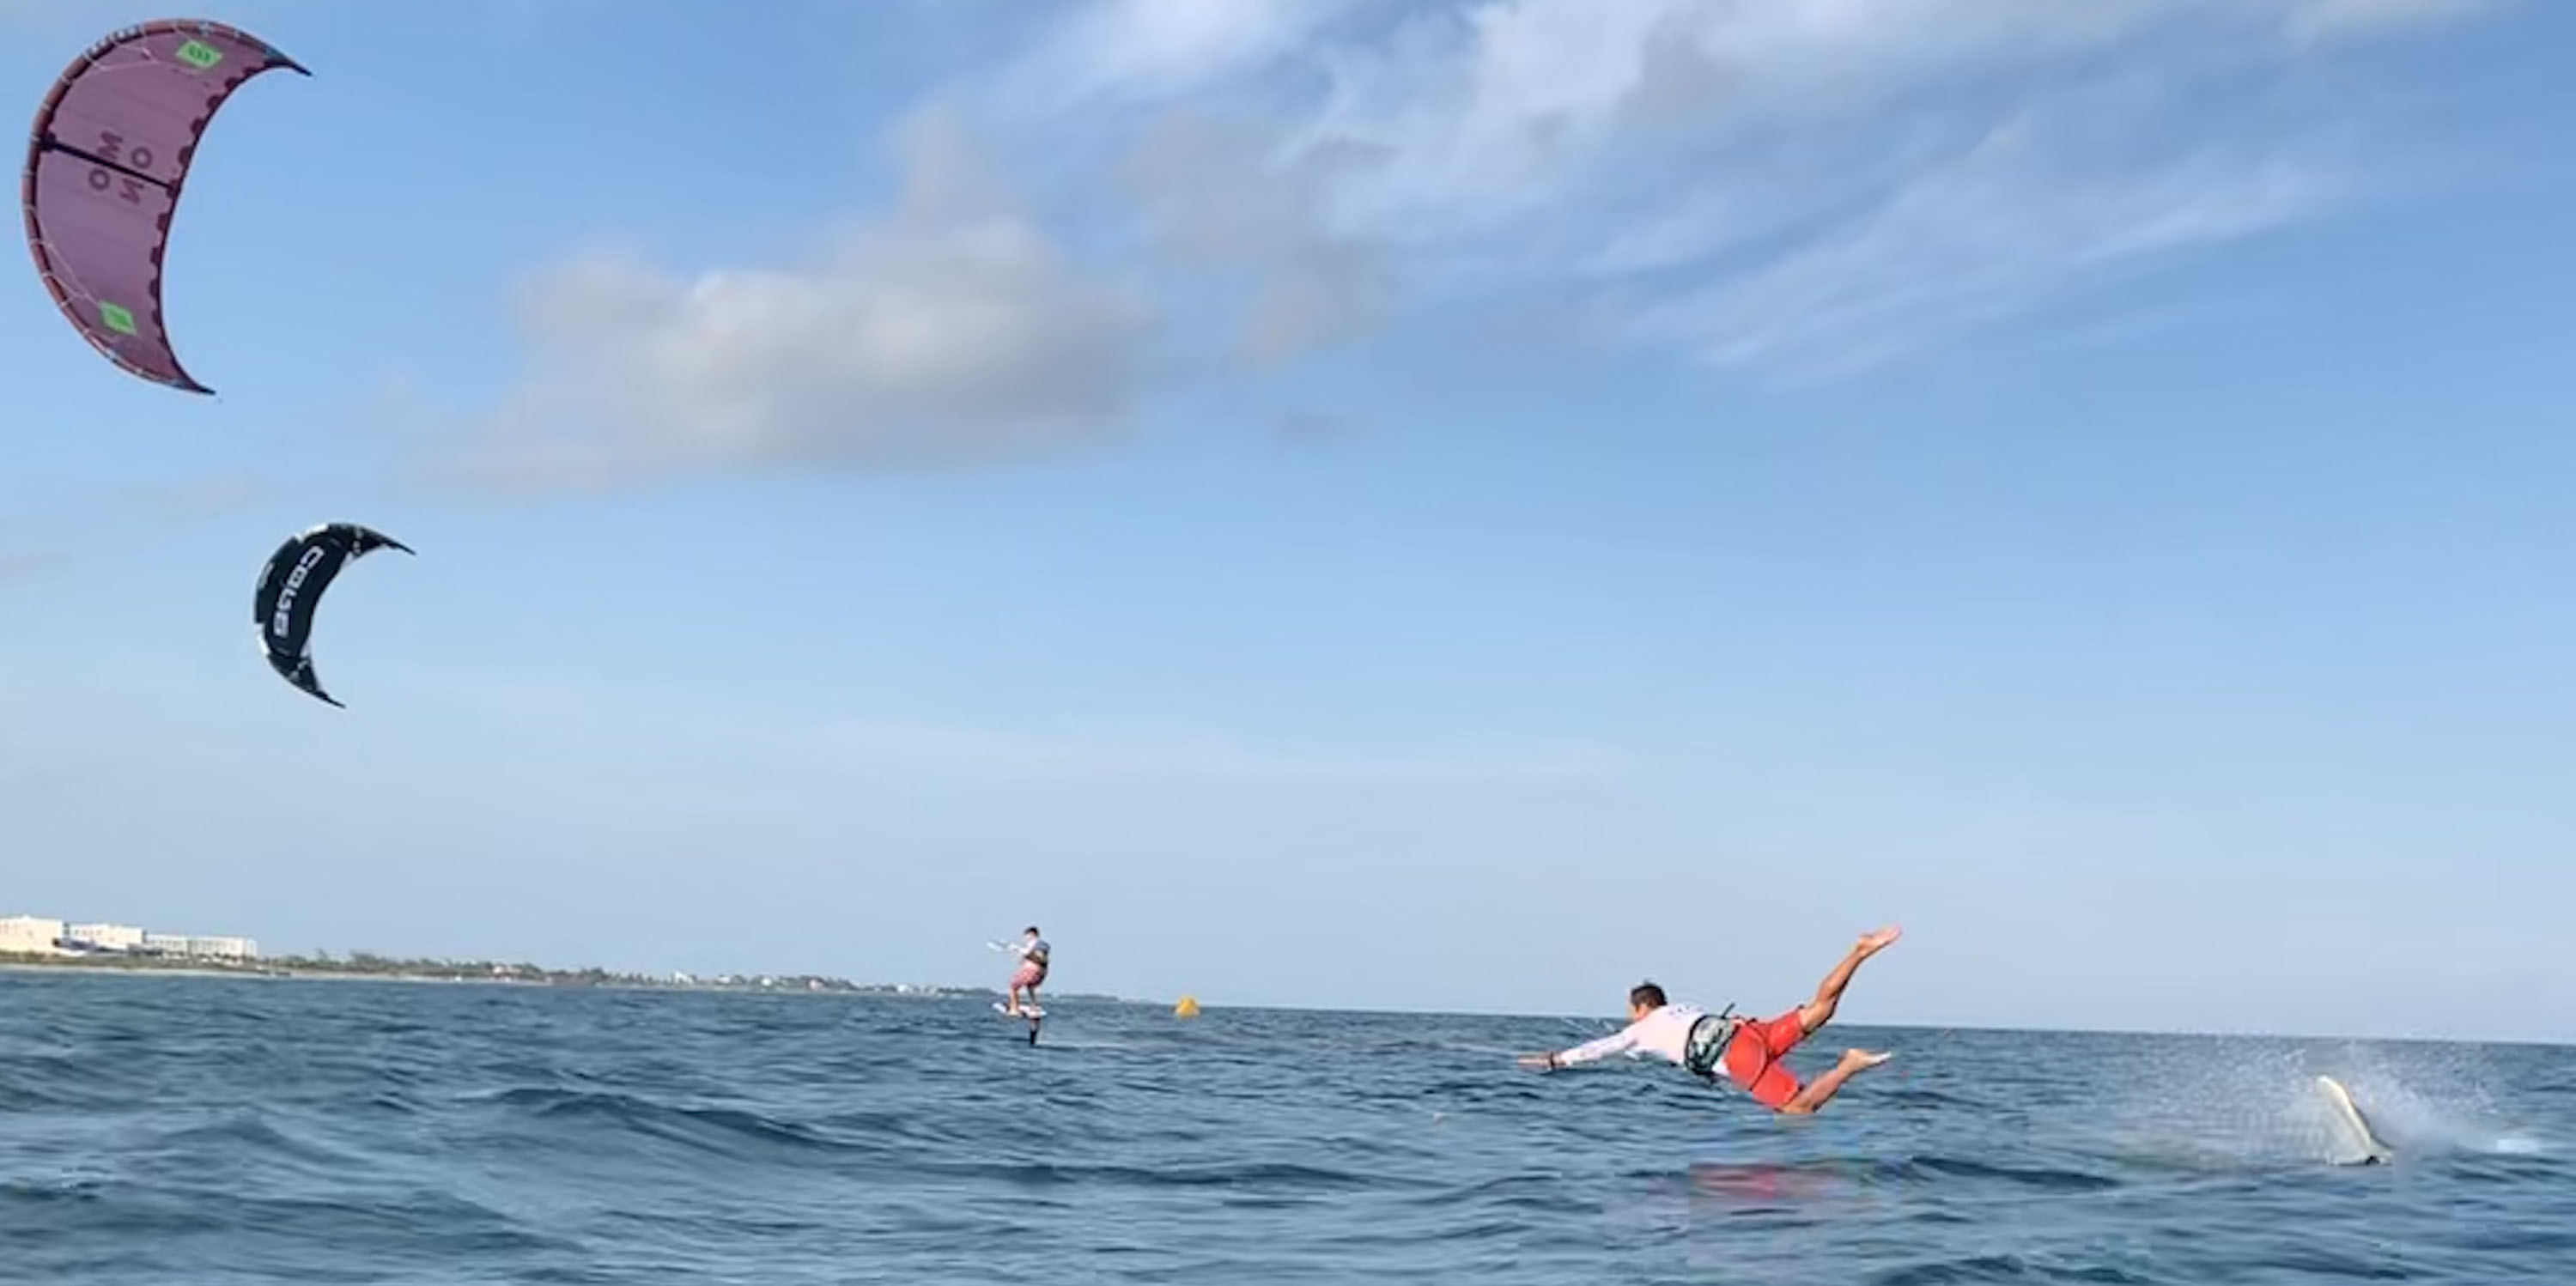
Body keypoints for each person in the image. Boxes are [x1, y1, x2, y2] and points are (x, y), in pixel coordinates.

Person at [1516, 925, 1903, 1114]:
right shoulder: (1681, 1007)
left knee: (1797, 1109)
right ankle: (1858, 951)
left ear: (1639, 1008)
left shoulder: (1641, 1028)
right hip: (1751, 1031)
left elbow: (1602, 1048)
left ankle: (1849, 1065)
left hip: (1737, 1055)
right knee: (1821, 1009)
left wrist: (1556, 1060)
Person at [1000, 926, 1050, 1016]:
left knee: (1012, 986)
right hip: (1039, 973)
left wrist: (1021, 951)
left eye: (1026, 936)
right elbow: (1024, 958)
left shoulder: (1039, 944)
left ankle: (1014, 1010)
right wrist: (1017, 951)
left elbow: (1039, 956)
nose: (1025, 939)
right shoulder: (1034, 946)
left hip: (1032, 971)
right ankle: (1033, 1006)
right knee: (1030, 986)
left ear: (1032, 935)